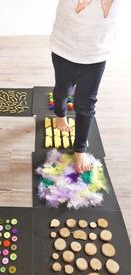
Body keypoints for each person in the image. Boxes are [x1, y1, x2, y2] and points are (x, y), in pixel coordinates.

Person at [49, 0, 120, 173]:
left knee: (86, 105)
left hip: (95, 54)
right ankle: (60, 114)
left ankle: (80, 149)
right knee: (62, 91)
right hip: (64, 49)